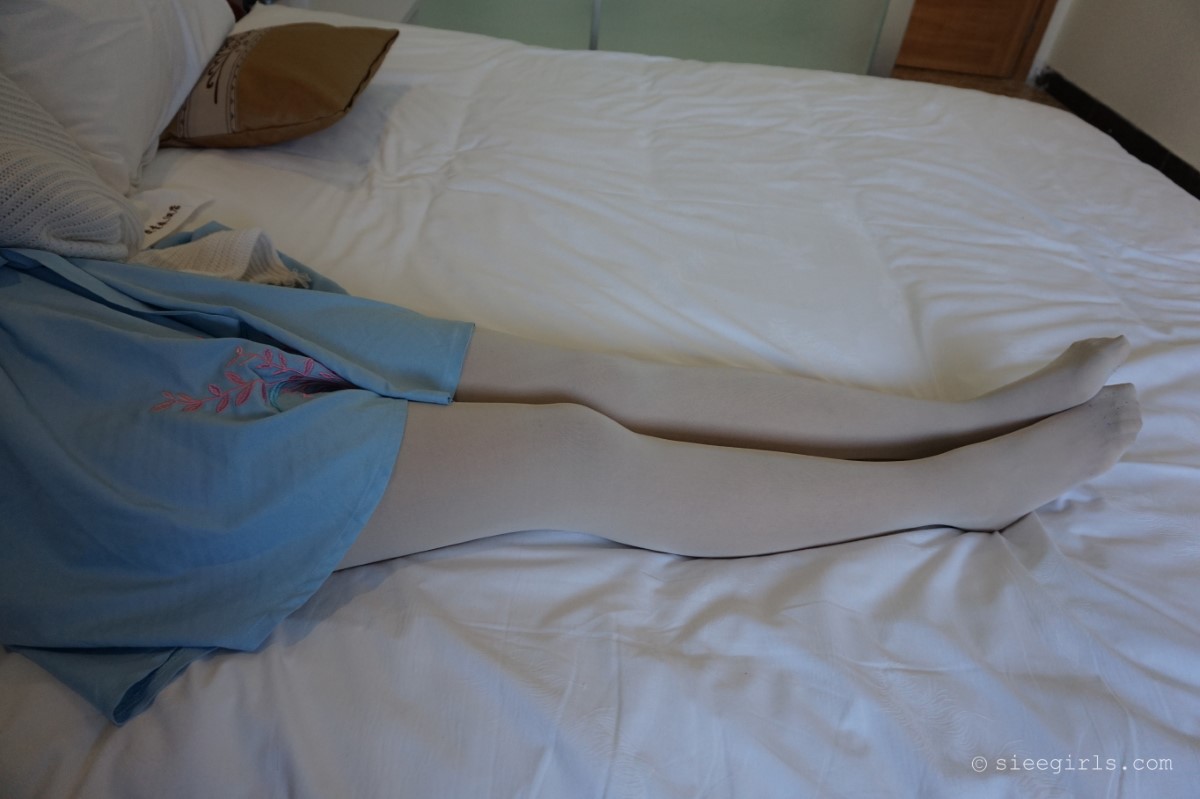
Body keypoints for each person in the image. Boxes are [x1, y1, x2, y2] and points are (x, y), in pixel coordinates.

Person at [339, 330, 1140, 564]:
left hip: (264, 335)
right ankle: (955, 488)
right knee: (565, 449)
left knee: (597, 377)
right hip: (249, 453)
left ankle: (971, 420)